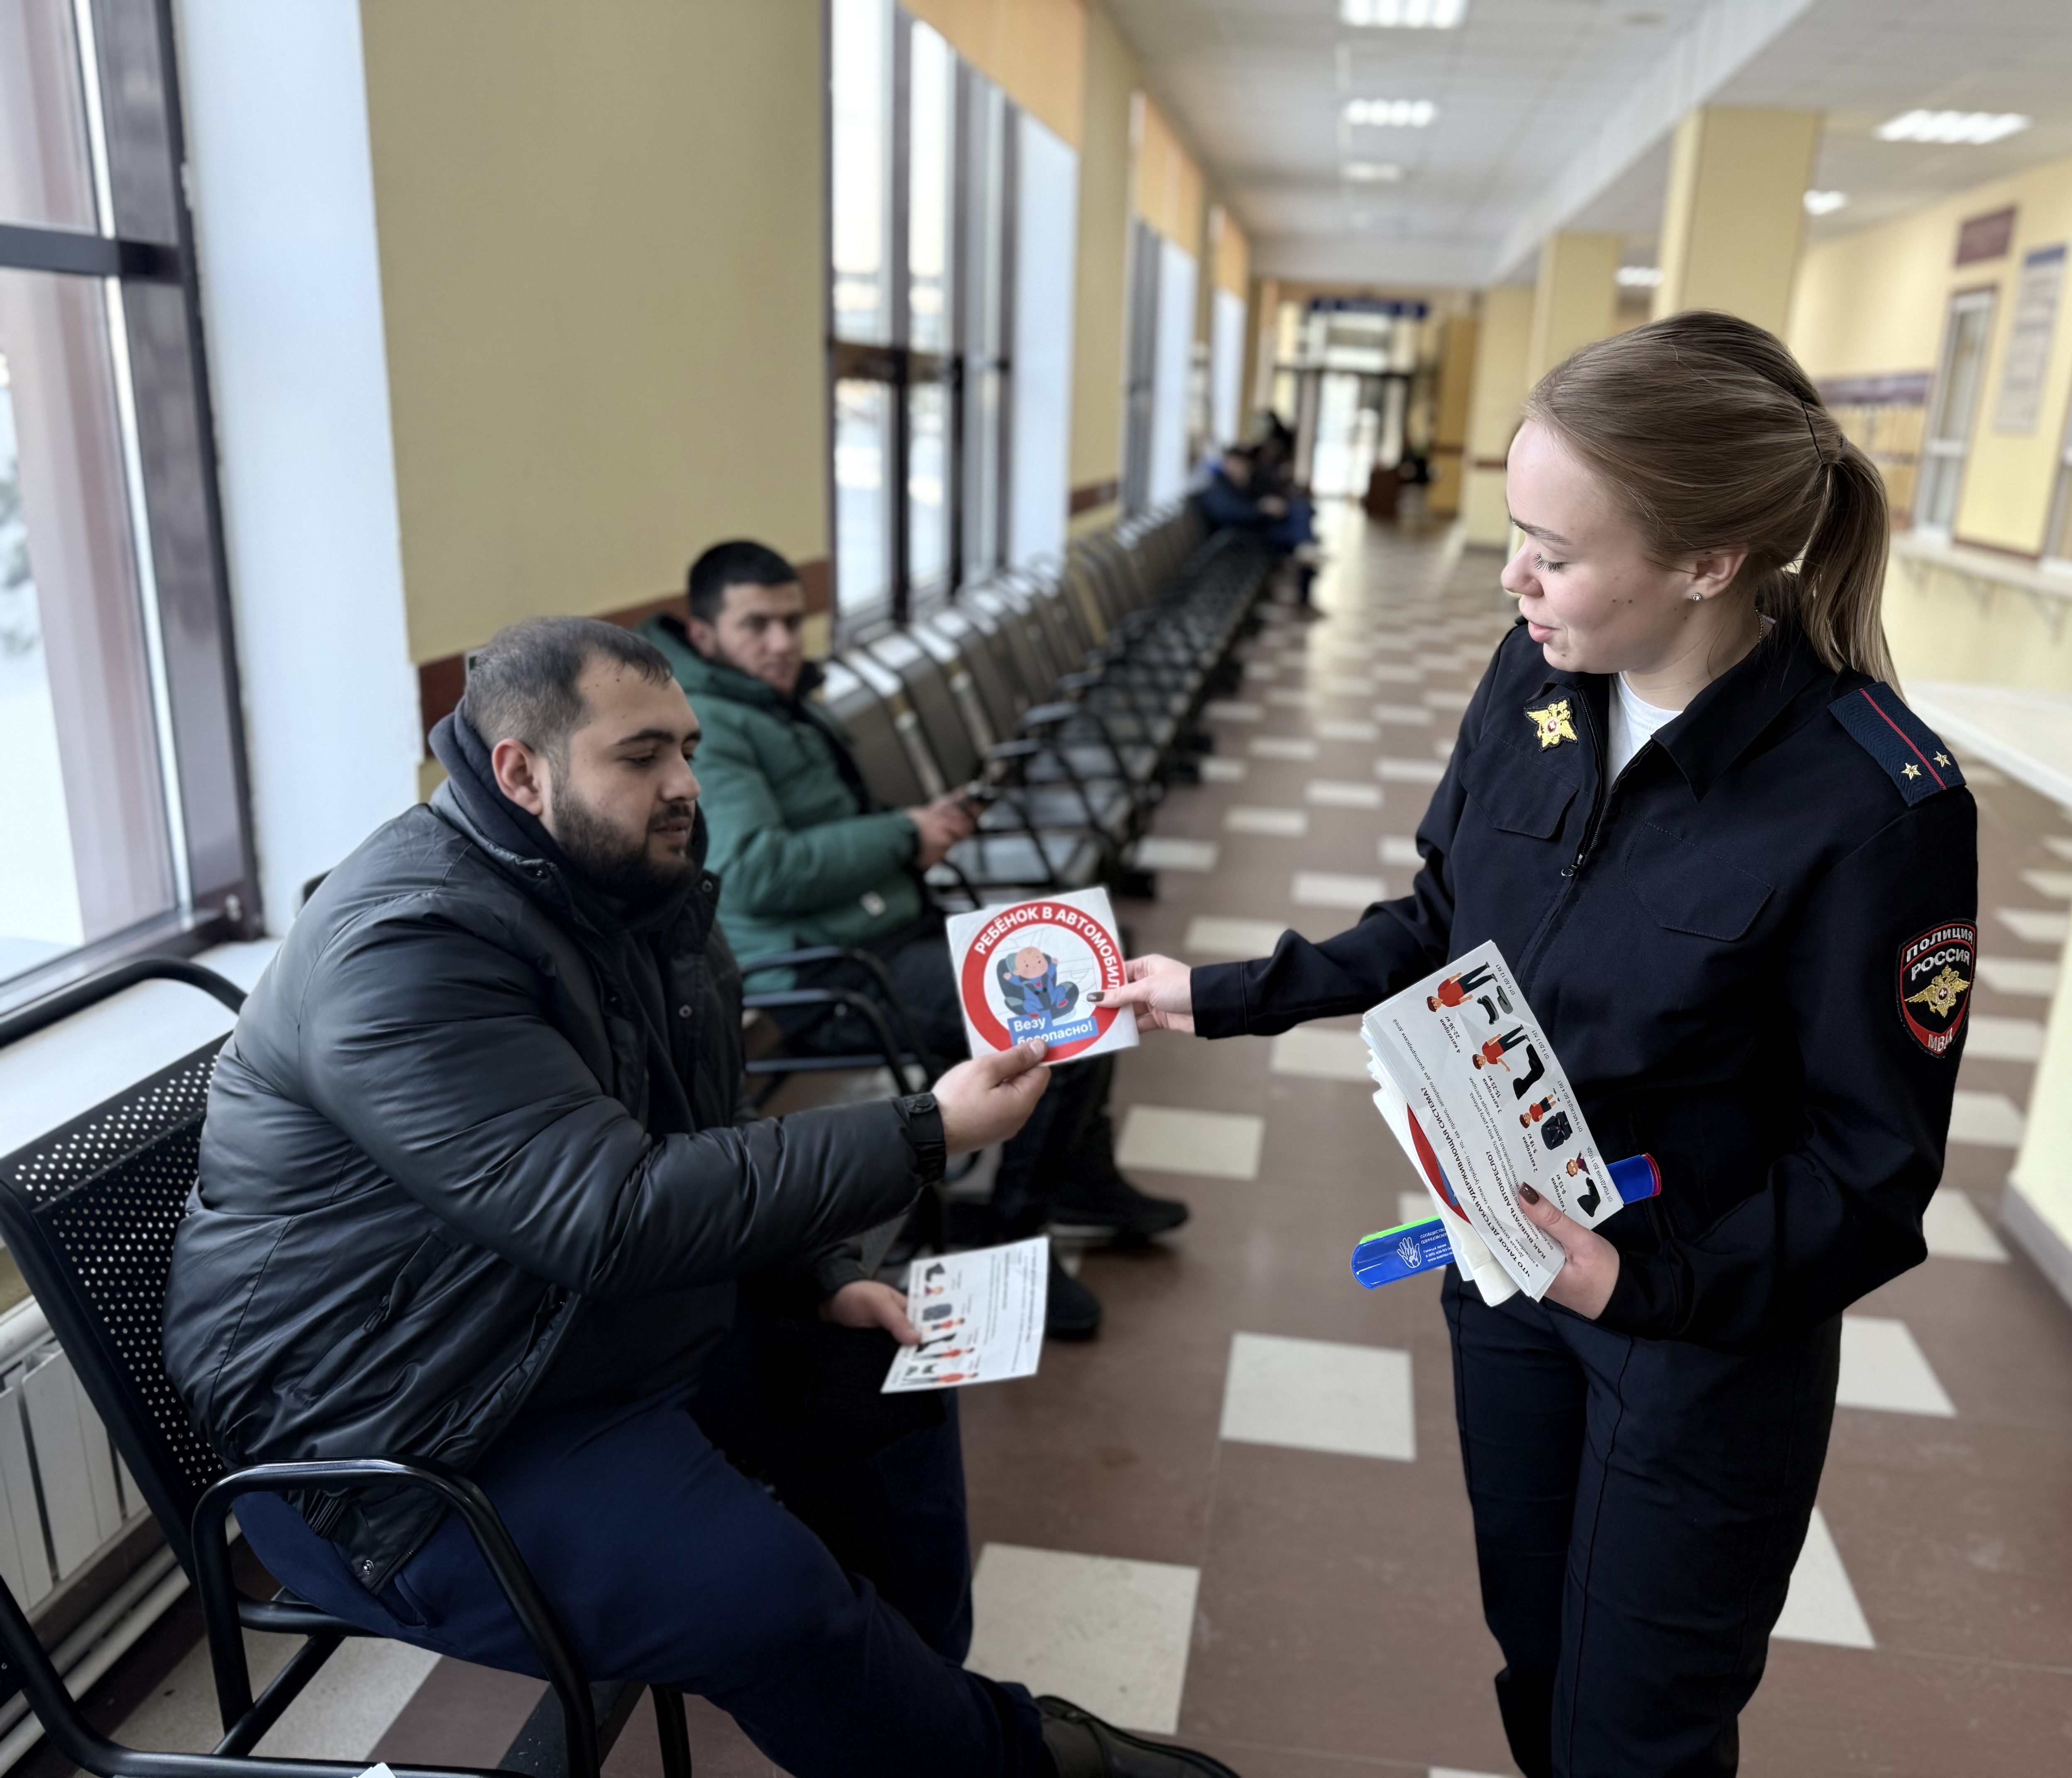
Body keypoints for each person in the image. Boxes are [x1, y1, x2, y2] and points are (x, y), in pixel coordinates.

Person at [1096, 312, 1977, 1776]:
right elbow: (1449, 915)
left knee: (1639, 1728)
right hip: (1508, 1279)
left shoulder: (1873, 802)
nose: (1511, 577)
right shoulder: (1534, 678)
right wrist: (1223, 991)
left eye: (1552, 551)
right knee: (1538, 1655)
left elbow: (1869, 1171)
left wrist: (1642, 1277)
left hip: (1696, 1337)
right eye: (1515, 531)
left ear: (1709, 562)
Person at [160, 618, 1236, 1778]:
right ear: (521, 770)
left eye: (686, 746)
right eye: (641, 756)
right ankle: (1005, 1757)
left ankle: (915, 1723)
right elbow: (610, 1210)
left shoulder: (624, 890)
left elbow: (691, 1138)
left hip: (550, 1329)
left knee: (894, 1378)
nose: (683, 782)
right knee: (772, 1597)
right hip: (405, 1433)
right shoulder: (410, 945)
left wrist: (818, 1274)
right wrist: (925, 1130)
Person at [639, 541, 1191, 1341]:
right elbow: (756, 872)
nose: (783, 641)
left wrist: (916, 834)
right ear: (703, 632)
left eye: (792, 621)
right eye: (755, 624)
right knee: (1069, 1027)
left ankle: (1080, 1179)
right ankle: (1014, 1236)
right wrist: (904, 835)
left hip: (878, 928)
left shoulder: (775, 697)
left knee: (1100, 962)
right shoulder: (715, 723)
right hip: (826, 970)